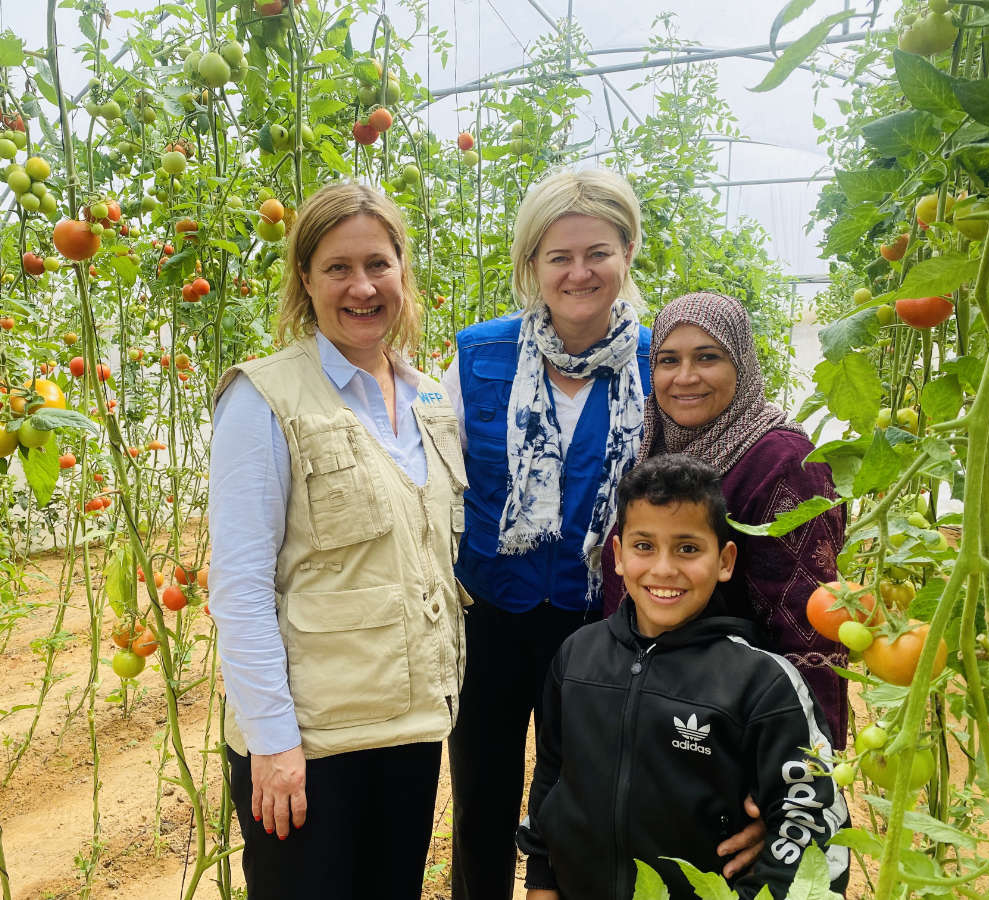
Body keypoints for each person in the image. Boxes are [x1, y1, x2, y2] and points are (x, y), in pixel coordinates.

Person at [208, 182, 469, 899]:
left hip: (410, 729)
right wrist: (274, 742)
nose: (362, 287)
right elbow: (239, 587)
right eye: (337, 268)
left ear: (403, 273)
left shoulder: (430, 399)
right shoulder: (264, 398)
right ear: (306, 280)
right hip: (314, 743)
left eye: (378, 264)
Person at [443, 168, 697, 899]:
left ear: (628, 254)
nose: (579, 272)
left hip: (607, 623)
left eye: (598, 252)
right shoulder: (477, 358)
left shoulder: (661, 363)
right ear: (531, 266)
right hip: (490, 619)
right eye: (558, 256)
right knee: (482, 798)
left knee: (588, 796)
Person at [518, 453, 850, 899]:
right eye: (644, 546)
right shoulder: (577, 657)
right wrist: (541, 879)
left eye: (688, 548)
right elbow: (552, 779)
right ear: (617, 555)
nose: (664, 569)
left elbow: (813, 828)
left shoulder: (763, 684)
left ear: (725, 559)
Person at [603, 291, 849, 747]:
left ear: (742, 364)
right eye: (668, 360)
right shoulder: (655, 447)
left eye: (708, 357)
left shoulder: (783, 461)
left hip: (727, 731)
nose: (685, 377)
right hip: (648, 714)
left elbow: (810, 625)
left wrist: (800, 764)